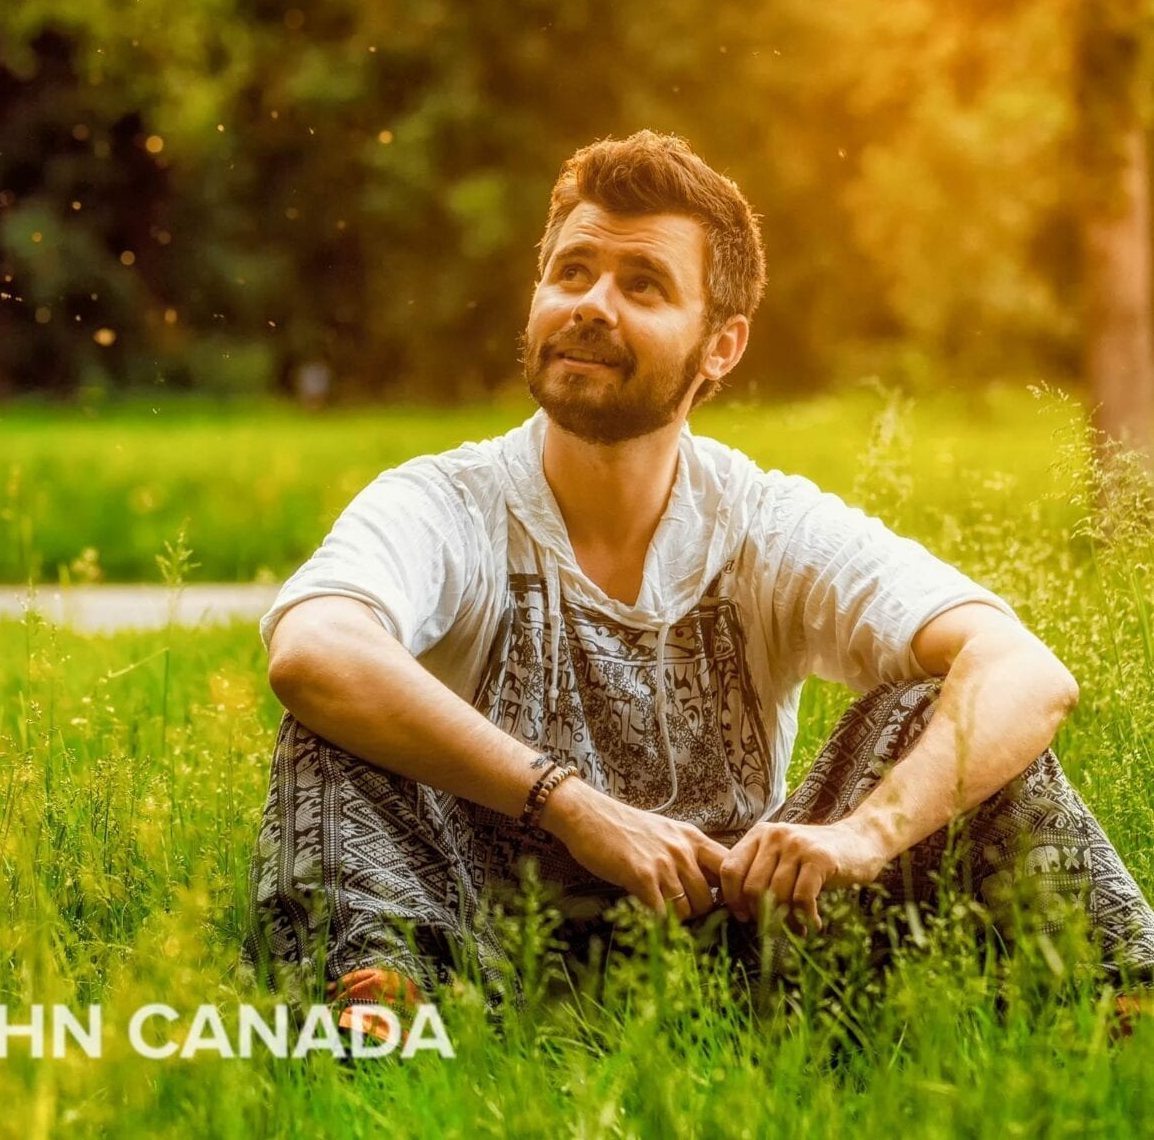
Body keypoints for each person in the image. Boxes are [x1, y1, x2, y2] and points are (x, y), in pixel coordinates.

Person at [242, 129, 1154, 1040]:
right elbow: (313, 648)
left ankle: (1126, 1019)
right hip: (481, 956)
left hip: (743, 974)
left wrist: (859, 838)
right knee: (334, 715)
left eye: (643, 284)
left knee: (940, 708)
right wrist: (573, 807)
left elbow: (1026, 672)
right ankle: (379, 1029)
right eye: (572, 272)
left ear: (722, 346)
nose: (593, 305)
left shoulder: (765, 522)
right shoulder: (445, 501)